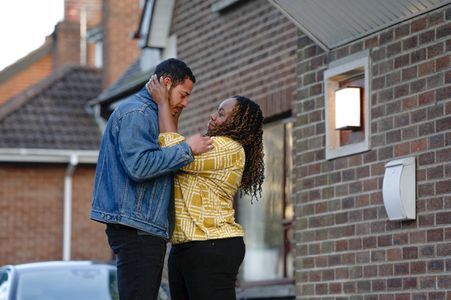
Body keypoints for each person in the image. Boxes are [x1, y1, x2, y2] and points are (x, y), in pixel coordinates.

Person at [90, 58, 213, 300]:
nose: (186, 103)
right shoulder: (137, 113)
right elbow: (140, 166)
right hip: (137, 229)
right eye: (183, 94)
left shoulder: (152, 112)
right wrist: (187, 149)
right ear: (166, 83)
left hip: (144, 227)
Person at [147, 75, 265, 300]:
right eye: (216, 110)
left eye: (221, 114)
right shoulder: (208, 144)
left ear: (238, 123)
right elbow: (176, 151)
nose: (213, 116)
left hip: (212, 244)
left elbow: (173, 150)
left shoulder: (228, 147)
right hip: (186, 245)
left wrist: (164, 103)